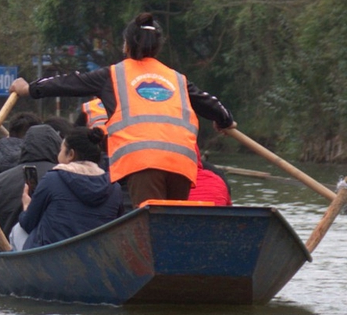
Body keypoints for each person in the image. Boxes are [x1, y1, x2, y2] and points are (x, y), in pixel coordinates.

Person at [14, 12, 231, 206]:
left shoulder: (112, 75)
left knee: (154, 230)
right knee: (172, 225)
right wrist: (224, 120)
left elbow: (67, 82)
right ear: (157, 47)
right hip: (182, 164)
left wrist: (29, 89)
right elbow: (212, 104)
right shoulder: (177, 79)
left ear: (126, 45)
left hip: (143, 162)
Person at [16, 128, 126, 249]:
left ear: (71, 154)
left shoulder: (52, 180)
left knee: (17, 231)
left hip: (53, 258)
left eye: (61, 150)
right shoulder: (114, 188)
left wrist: (26, 207)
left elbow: (28, 223)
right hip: (100, 258)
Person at [0, 121, 69, 242]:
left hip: (6, 249)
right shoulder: (65, 177)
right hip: (52, 246)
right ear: (56, 146)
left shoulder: (0, 180)